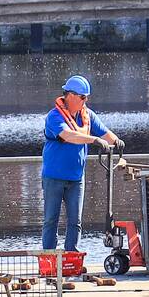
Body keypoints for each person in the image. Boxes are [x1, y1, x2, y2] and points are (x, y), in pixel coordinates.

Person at [42, 75, 124, 252]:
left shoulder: (87, 116)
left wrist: (116, 141)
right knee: (51, 220)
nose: (85, 101)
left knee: (75, 221)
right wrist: (94, 140)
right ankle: (49, 259)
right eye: (82, 97)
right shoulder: (54, 116)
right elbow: (68, 135)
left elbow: (105, 134)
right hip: (53, 177)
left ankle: (72, 257)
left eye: (86, 97)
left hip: (76, 178)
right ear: (70, 95)